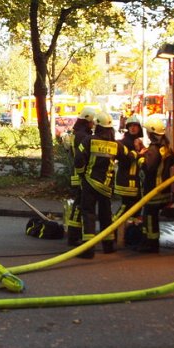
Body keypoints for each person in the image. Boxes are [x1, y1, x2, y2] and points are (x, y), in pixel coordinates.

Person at [76, 111, 121, 258]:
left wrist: (82, 173)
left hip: (90, 182)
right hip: (106, 186)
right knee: (105, 215)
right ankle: (108, 245)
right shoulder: (115, 144)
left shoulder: (89, 140)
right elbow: (127, 155)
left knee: (88, 214)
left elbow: (78, 158)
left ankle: (88, 249)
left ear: (97, 126)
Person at [139, 115, 174, 253]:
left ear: (150, 133)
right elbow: (172, 161)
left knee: (149, 216)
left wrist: (140, 159)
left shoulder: (154, 149)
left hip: (154, 189)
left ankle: (151, 244)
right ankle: (149, 241)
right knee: (150, 216)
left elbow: (148, 167)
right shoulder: (166, 147)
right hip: (164, 189)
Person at [65, 106, 97, 247]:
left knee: (78, 205)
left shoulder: (77, 133)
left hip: (76, 174)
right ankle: (74, 236)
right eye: (92, 122)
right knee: (79, 206)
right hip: (80, 175)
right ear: (87, 120)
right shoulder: (82, 136)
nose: (93, 124)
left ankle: (74, 234)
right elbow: (83, 156)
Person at [114, 114, 146, 227]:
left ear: (139, 128)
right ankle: (112, 229)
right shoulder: (124, 143)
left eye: (135, 126)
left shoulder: (138, 142)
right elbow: (126, 160)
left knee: (135, 210)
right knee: (126, 208)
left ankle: (130, 234)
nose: (133, 128)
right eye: (131, 126)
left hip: (134, 183)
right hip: (126, 182)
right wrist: (138, 152)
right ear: (127, 127)